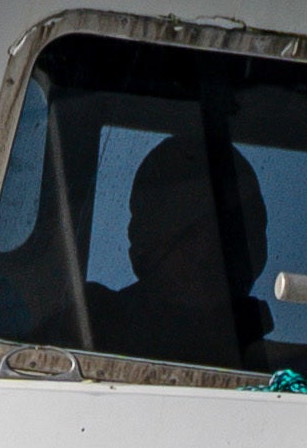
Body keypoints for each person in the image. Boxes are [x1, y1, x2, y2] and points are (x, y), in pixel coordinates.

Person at [84, 131, 274, 373]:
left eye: (226, 239)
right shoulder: (90, 327)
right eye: (188, 233)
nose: (204, 253)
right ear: (149, 245)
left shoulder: (284, 374)